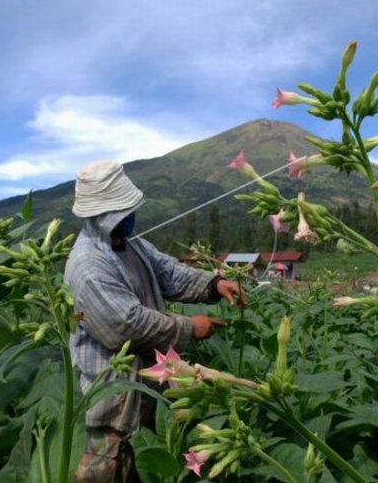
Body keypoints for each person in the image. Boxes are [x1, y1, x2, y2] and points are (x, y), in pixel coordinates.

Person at [64, 161, 246, 482]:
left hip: (147, 390)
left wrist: (213, 284)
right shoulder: (87, 264)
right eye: (123, 210)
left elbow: (169, 271)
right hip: (113, 404)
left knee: (153, 464)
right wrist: (189, 327)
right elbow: (125, 325)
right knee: (109, 473)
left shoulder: (129, 245)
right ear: (105, 215)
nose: (131, 215)